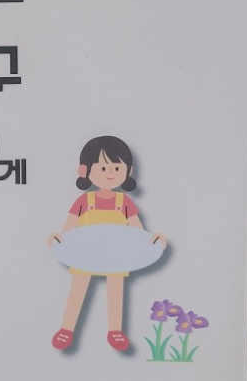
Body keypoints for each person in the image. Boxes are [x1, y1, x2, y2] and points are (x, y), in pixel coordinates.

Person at [48, 135, 166, 353]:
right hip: (85, 254)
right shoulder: (84, 201)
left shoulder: (124, 203)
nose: (110, 173)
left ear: (128, 171)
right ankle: (66, 328)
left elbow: (137, 232)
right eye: (103, 168)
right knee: (78, 287)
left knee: (116, 289)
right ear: (84, 171)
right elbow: (69, 228)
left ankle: (115, 330)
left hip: (116, 256)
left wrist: (152, 242)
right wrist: (59, 240)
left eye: (116, 168)